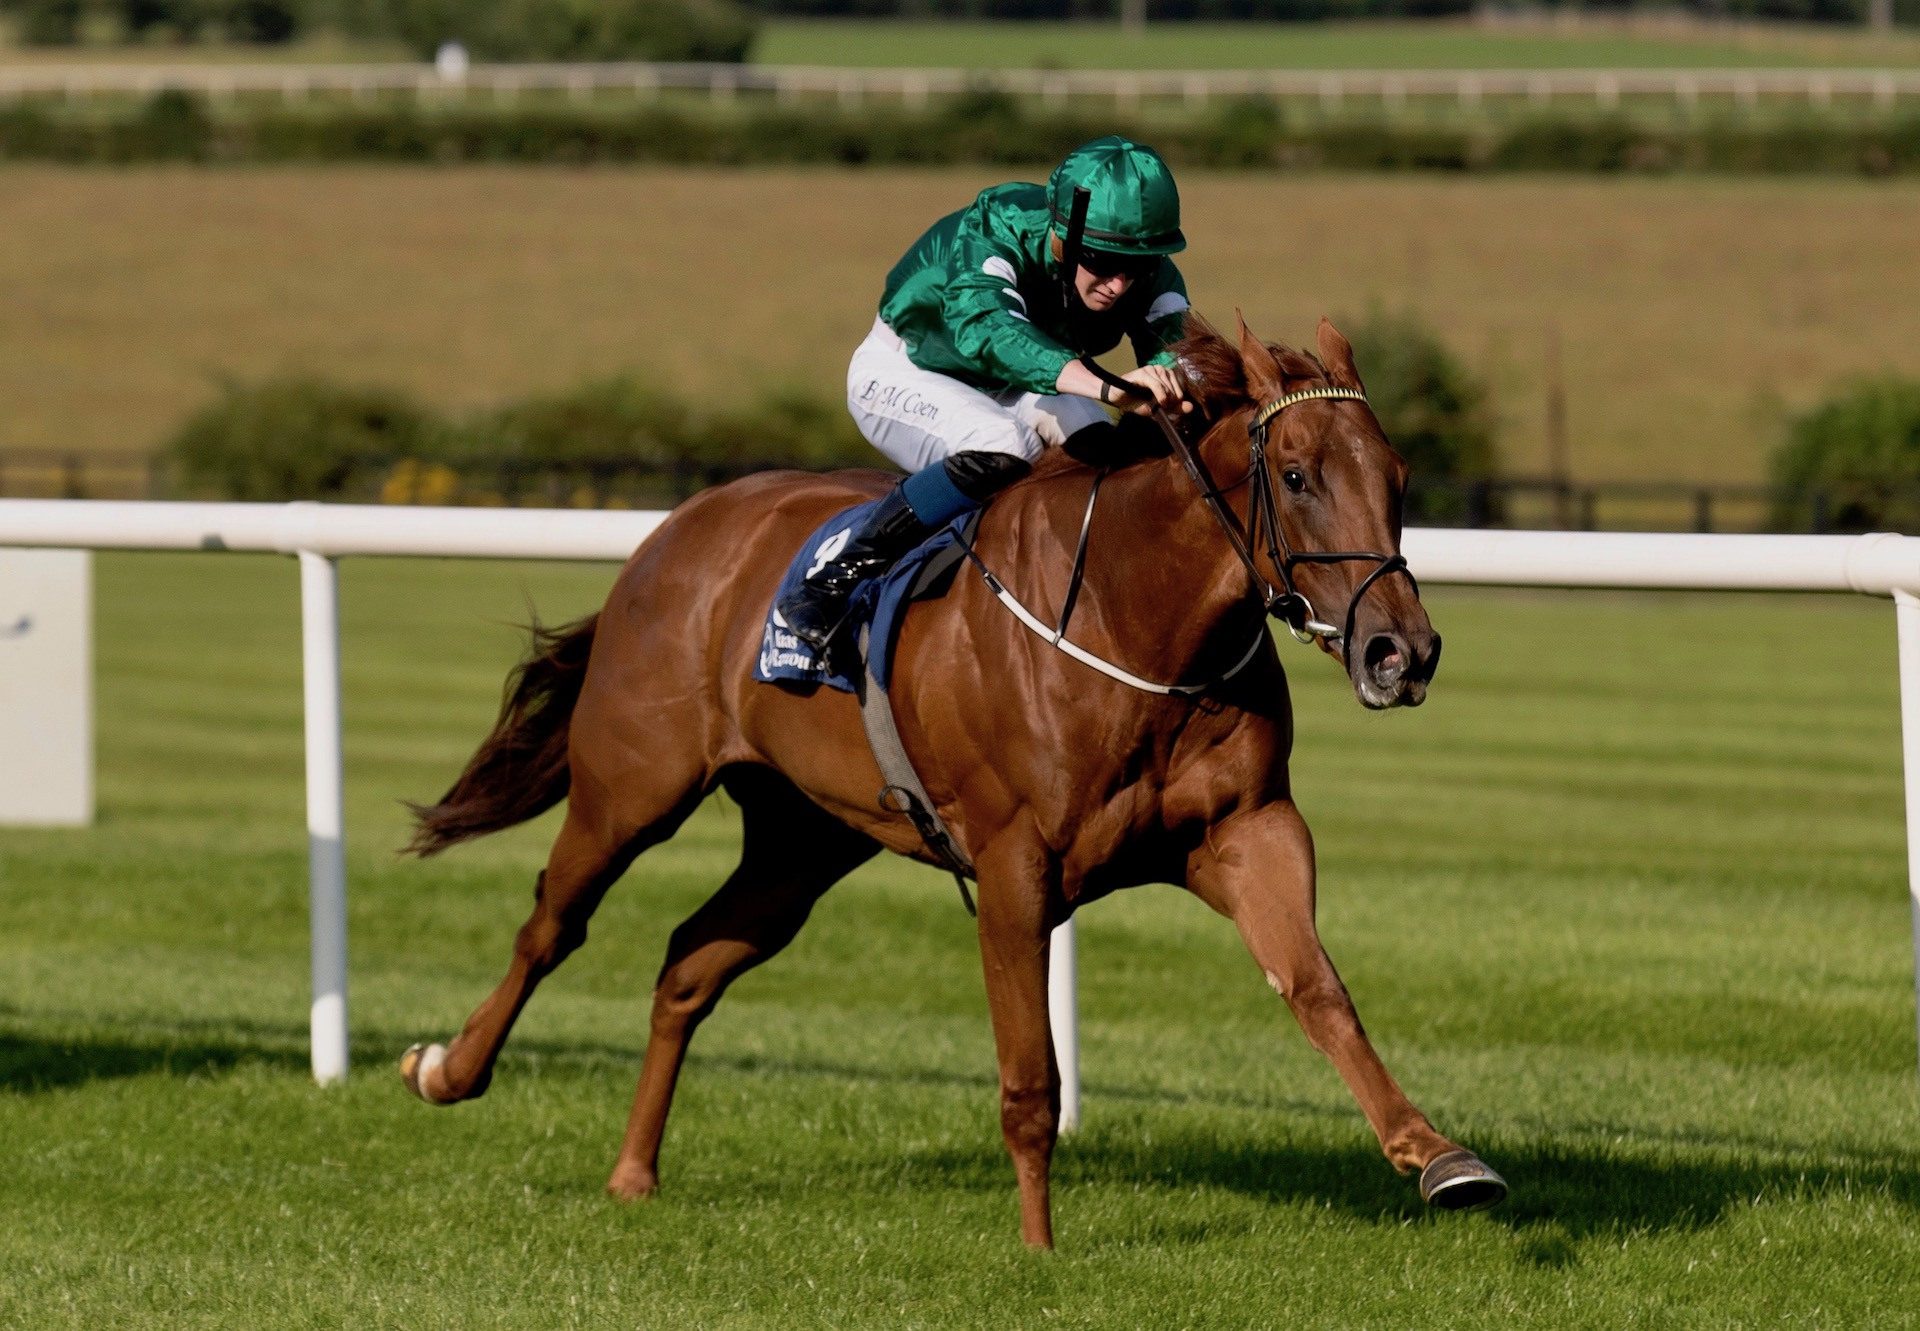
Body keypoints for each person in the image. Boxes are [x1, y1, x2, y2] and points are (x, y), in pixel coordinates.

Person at [776, 134, 1195, 654]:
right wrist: (1109, 386)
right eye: (1102, 261)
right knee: (1003, 445)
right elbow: (986, 329)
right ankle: (830, 582)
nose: (1119, 285)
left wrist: (1165, 378)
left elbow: (1181, 347)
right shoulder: (997, 226)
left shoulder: (1145, 272)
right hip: (908, 367)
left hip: (1016, 383)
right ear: (1063, 236)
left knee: (1102, 452)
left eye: (1138, 266)